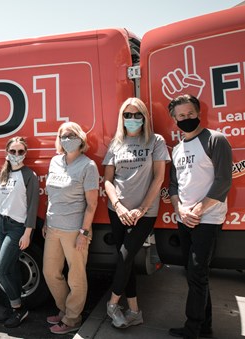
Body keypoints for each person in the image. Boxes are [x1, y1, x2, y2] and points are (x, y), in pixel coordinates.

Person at [167, 94, 232, 339]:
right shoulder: (177, 149)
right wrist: (180, 210)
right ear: (174, 119)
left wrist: (198, 210)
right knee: (195, 274)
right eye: (181, 116)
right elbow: (173, 185)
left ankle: (192, 329)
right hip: (184, 219)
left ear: (198, 113)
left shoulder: (215, 140)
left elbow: (223, 181)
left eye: (190, 114)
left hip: (207, 219)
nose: (186, 119)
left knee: (197, 273)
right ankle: (205, 326)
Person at [102, 97, 170, 328]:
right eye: (127, 115)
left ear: (145, 117)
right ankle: (134, 311)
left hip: (145, 212)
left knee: (124, 255)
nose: (132, 119)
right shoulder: (115, 144)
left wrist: (141, 209)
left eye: (137, 115)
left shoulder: (155, 141)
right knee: (127, 259)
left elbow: (159, 177)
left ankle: (112, 304)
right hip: (117, 211)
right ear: (122, 118)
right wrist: (119, 207)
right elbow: (108, 181)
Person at [42, 122, 99, 335]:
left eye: (71, 135)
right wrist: (47, 221)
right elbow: (51, 196)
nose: (67, 139)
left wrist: (84, 232)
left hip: (75, 230)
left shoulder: (88, 166)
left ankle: (72, 319)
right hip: (53, 228)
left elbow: (92, 204)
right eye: (63, 136)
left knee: (76, 277)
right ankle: (64, 309)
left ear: (81, 138)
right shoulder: (55, 161)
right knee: (50, 272)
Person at [0, 136, 39, 328]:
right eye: (13, 151)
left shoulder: (29, 176)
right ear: (7, 153)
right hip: (2, 225)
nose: (17, 155)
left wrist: (27, 233)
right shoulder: (2, 173)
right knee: (10, 268)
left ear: (25, 154)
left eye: (20, 152)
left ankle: (18, 308)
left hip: (18, 227)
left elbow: (33, 207)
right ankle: (14, 309)